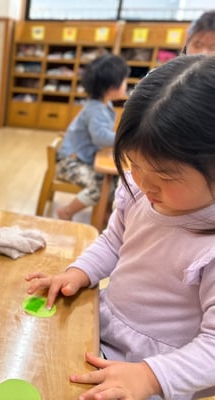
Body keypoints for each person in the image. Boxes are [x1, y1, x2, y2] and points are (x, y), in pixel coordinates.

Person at [27, 54, 215, 399]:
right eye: (135, 165)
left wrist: (150, 377)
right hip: (102, 327)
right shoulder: (139, 194)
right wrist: (79, 272)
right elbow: (114, 241)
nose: (143, 183)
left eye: (164, 176)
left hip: (156, 371)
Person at [55, 54, 130, 221]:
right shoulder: (97, 109)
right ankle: (66, 211)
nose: (126, 84)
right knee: (100, 187)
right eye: (124, 80)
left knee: (114, 180)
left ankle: (105, 213)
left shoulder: (103, 104)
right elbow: (100, 137)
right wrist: (125, 139)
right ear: (111, 88)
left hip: (81, 158)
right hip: (70, 162)